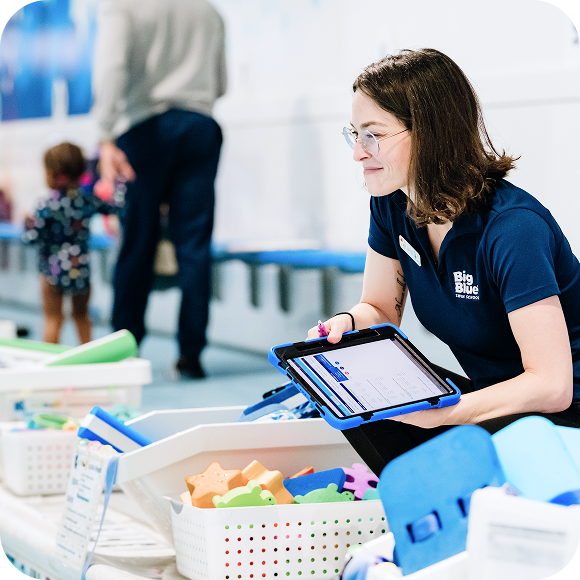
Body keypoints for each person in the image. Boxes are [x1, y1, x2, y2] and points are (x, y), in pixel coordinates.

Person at [309, 49, 580, 475]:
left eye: (373, 135)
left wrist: (443, 412)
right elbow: (379, 309)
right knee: (354, 397)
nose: (359, 153)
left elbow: (552, 385)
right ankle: (419, 512)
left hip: (563, 420)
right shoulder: (391, 205)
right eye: (354, 134)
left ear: (431, 133)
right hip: (499, 405)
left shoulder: (512, 229)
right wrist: (347, 323)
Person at [92, 0, 227, 379]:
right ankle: (191, 354)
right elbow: (221, 83)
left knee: (138, 240)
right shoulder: (208, 9)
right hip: (201, 126)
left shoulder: (121, 6)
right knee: (195, 244)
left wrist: (104, 135)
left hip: (144, 128)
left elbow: (112, 67)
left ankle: (124, 347)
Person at [24, 142, 120, 344]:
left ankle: (49, 367)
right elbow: (116, 208)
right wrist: (117, 183)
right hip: (80, 269)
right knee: (82, 317)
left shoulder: (46, 205)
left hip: (52, 272)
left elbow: (32, 238)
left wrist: (27, 224)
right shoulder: (87, 201)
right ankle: (86, 361)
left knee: (53, 319)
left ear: (51, 173)